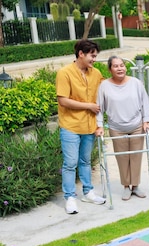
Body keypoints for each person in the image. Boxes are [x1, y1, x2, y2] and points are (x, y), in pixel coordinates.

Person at [56, 39, 106, 214]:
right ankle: (70, 197)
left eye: (95, 56)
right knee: (70, 163)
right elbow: (63, 100)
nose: (94, 59)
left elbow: (103, 96)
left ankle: (88, 192)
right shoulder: (65, 73)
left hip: (90, 126)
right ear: (81, 54)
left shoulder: (96, 73)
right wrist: (88, 106)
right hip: (70, 125)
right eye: (92, 56)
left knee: (85, 161)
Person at [96, 55, 149, 201]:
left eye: (122, 65)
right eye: (116, 66)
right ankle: (126, 186)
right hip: (117, 126)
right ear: (110, 69)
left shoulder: (136, 83)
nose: (120, 68)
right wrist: (100, 125)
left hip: (136, 125)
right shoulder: (104, 86)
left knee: (136, 156)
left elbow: (145, 101)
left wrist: (146, 121)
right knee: (122, 157)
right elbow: (99, 107)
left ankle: (135, 186)